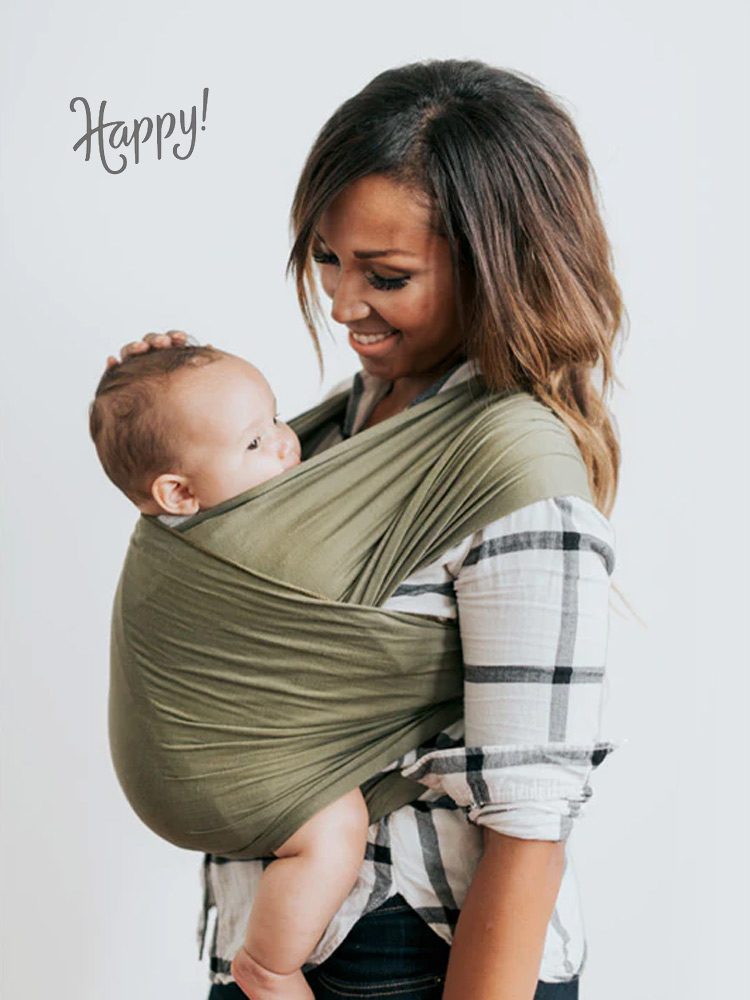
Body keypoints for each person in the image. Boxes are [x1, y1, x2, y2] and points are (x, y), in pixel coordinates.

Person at [113, 58, 624, 1000]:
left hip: (420, 952)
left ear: (495, 266)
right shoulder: (335, 430)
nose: (344, 305)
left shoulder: (513, 473)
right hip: (275, 938)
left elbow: (530, 822)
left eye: (385, 276)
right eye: (327, 260)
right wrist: (150, 408)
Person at [90, 345, 378, 1000]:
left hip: (177, 765)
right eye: (254, 443)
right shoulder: (241, 545)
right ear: (180, 493)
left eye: (275, 420)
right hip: (195, 772)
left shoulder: (196, 512)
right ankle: (270, 967)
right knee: (337, 827)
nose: (284, 444)